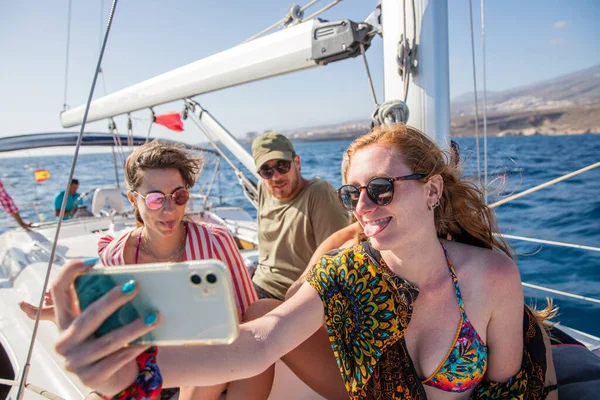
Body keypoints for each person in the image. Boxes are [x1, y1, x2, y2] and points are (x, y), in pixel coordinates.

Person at [49, 125, 558, 399]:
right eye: (353, 193)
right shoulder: (347, 273)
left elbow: (508, 385)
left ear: (431, 191)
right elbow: (258, 342)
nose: (364, 207)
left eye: (380, 189)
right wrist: (132, 370)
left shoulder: (490, 275)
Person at [250, 132, 348, 300]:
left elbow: (338, 258)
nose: (276, 177)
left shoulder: (319, 193)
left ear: (297, 162)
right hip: (258, 284)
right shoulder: (263, 188)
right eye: (267, 171)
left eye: (282, 166)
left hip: (293, 295)